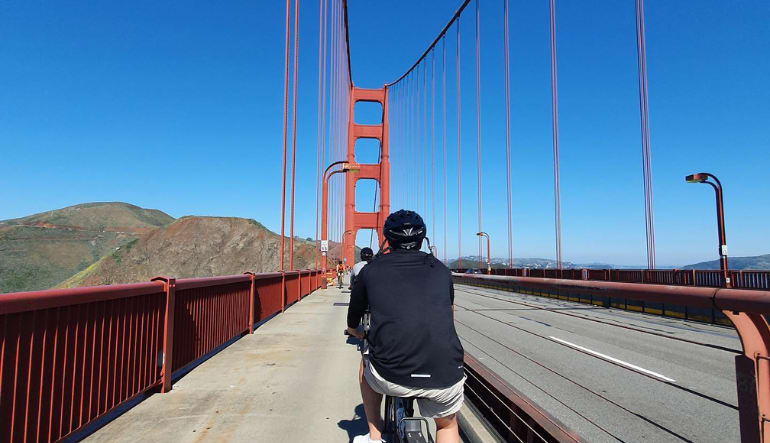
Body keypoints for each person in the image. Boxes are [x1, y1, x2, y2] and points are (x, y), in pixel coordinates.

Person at [347, 210, 465, 443]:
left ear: (387, 239)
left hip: (390, 373)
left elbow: (353, 318)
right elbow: (448, 315)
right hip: (444, 373)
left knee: (366, 363)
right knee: (447, 425)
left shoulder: (370, 271)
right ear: (423, 239)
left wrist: (355, 331)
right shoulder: (441, 270)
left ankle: (374, 436)